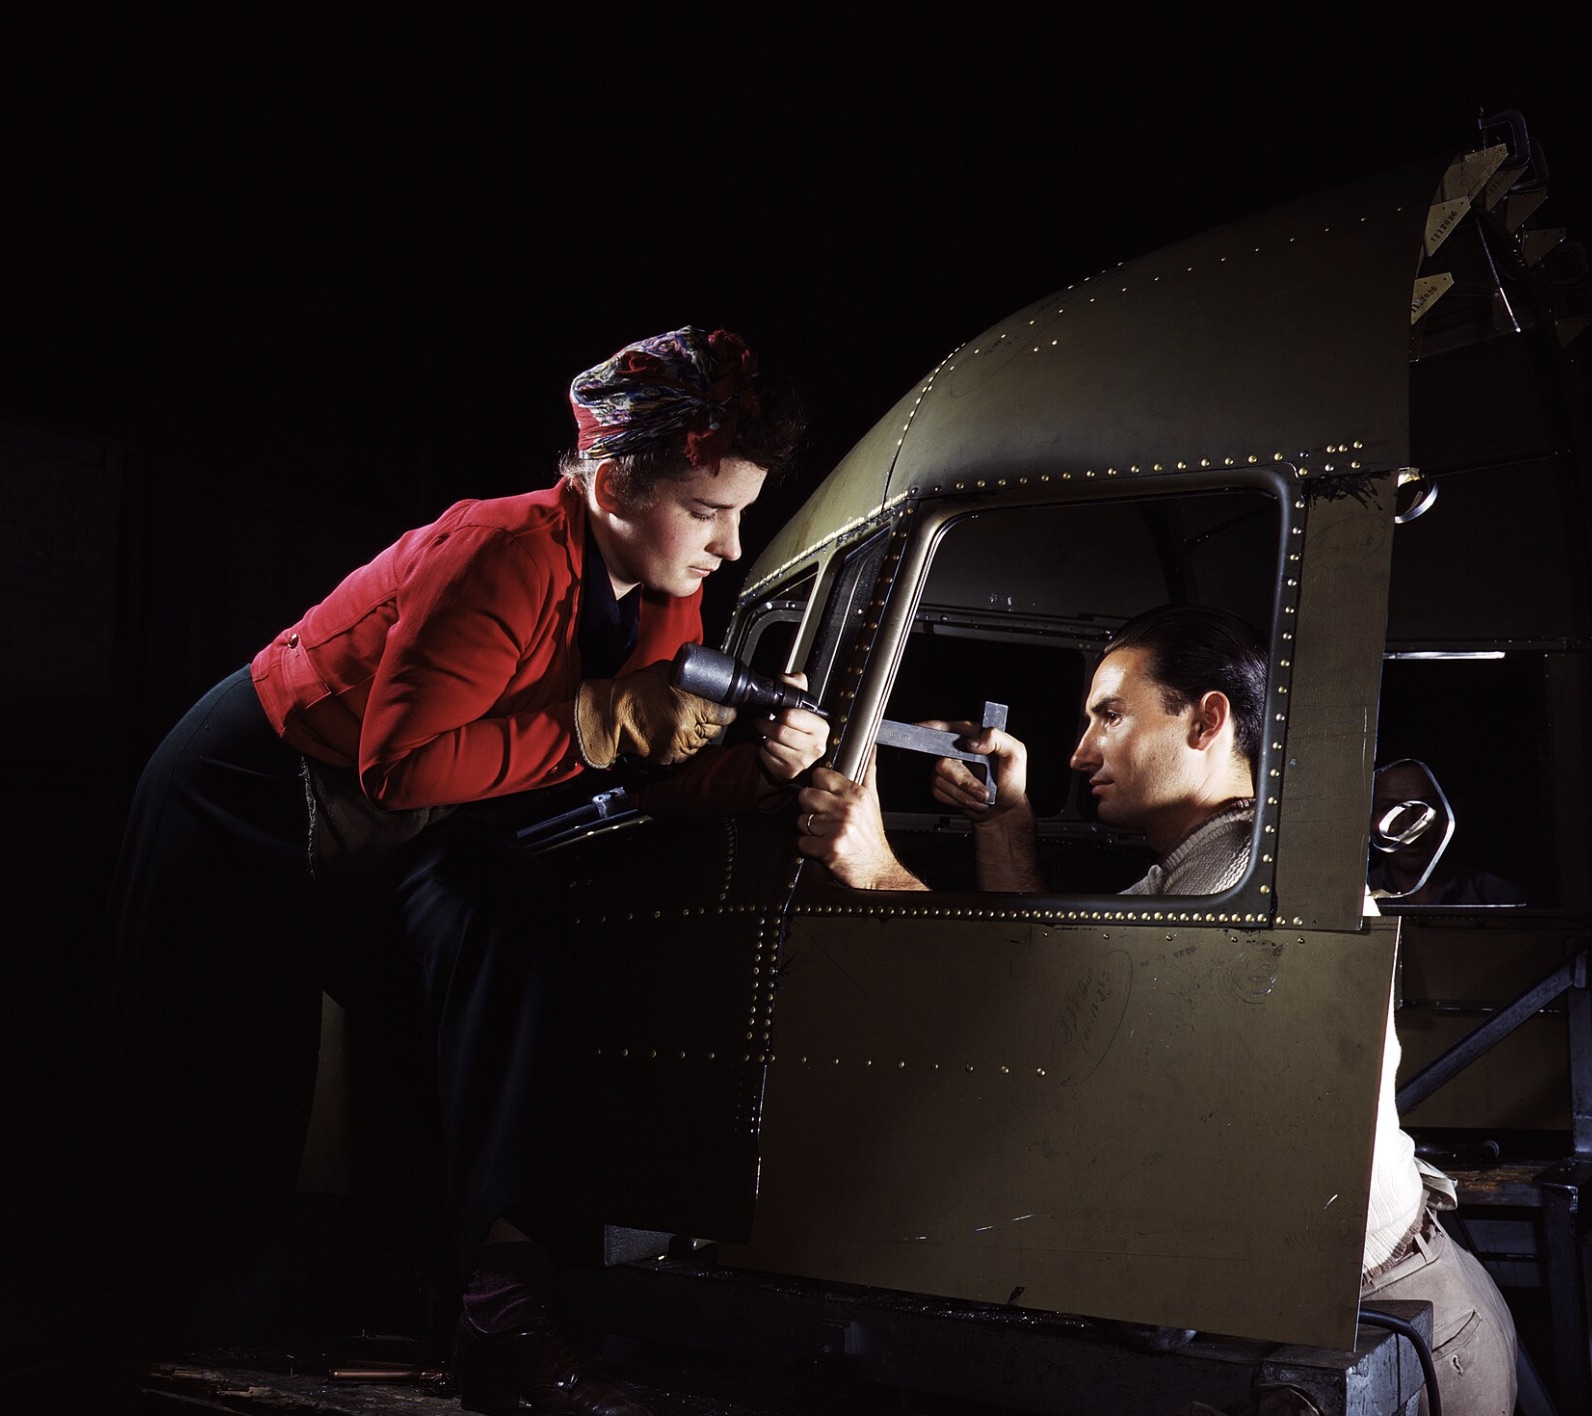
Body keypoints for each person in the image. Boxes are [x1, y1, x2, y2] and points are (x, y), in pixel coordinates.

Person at [100, 326, 829, 1416]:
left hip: (402, 820)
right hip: (246, 796)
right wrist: (603, 721)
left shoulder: (662, 585)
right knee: (232, 1076)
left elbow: (644, 769)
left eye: (741, 513)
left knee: (508, 934)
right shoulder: (500, 549)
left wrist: (755, 772)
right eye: (709, 511)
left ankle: (495, 1308)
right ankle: (167, 1345)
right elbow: (402, 767)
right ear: (613, 481)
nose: (729, 547)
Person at [796, 604, 1518, 1416]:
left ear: (1208, 720)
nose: (1079, 754)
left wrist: (876, 870)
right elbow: (1054, 972)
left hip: (1385, 1331)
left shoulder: (1256, 880)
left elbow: (1063, 1034)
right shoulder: (1201, 870)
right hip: (1371, 1308)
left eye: (1109, 717)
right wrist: (1005, 823)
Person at [1368, 758, 1527, 906]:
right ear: (1369, 816)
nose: (1410, 826)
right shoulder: (1352, 898)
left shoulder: (1502, 899)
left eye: (1424, 807)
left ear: (1453, 812)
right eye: (1390, 808)